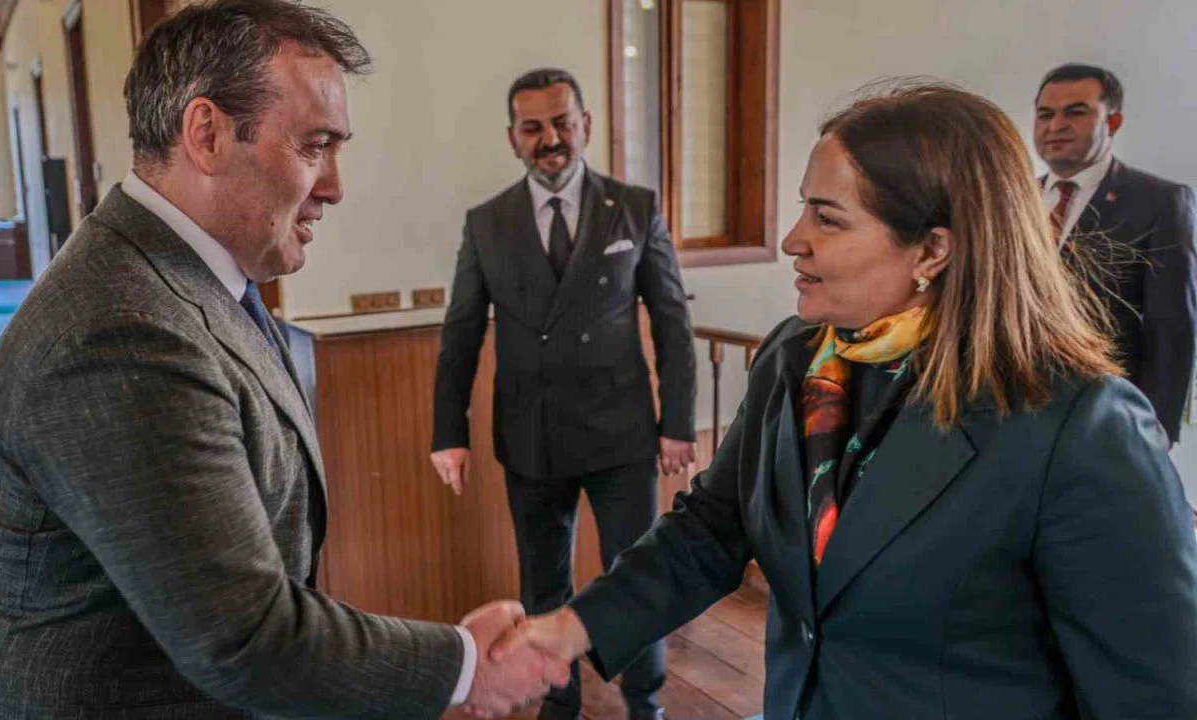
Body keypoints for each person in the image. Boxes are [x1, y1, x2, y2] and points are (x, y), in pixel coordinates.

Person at [492, 84, 1197, 720]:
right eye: (804, 206)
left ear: (933, 250)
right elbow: (711, 529)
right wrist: (567, 630)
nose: (792, 239)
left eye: (827, 218)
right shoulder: (794, 359)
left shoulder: (1081, 425)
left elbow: (1154, 694)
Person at [0, 1, 564, 718]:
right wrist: (463, 668)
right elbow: (243, 636)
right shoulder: (119, 331)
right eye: (315, 145)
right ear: (207, 134)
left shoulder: (193, 280)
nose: (335, 185)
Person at [429, 68, 697, 720]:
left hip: (622, 434)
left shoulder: (635, 207)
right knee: (543, 584)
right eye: (533, 127)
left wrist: (678, 423)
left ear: (585, 125)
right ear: (513, 138)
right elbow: (460, 333)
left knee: (635, 578)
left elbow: (672, 321)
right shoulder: (487, 222)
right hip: (531, 436)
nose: (549, 138)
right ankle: (559, 706)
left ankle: (646, 704)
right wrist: (449, 434)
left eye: (561, 122)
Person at [1034, 63, 1197, 445]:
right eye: (1045, 114)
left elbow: (1171, 326)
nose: (1055, 125)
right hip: (1013, 409)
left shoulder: (1159, 201)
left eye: (1075, 112)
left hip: (1105, 416)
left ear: (1113, 121)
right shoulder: (1013, 200)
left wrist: (1156, 430)